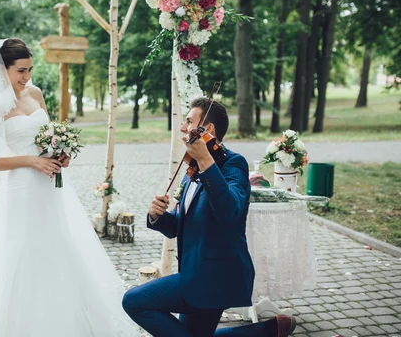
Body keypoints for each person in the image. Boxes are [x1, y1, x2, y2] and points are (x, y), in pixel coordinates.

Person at [0, 38, 138, 336]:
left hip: (51, 184)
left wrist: (60, 154)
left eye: (29, 69)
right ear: (2, 70)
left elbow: (48, 136)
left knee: (61, 243)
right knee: (23, 252)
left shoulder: (35, 93)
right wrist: (29, 161)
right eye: (20, 71)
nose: (26, 77)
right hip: (21, 188)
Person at [122, 97, 296, 337]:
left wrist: (205, 159)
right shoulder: (190, 169)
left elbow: (231, 213)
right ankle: (270, 329)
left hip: (216, 276)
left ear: (207, 129)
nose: (183, 128)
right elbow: (177, 226)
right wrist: (157, 216)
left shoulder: (232, 165)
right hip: (195, 273)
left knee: (134, 301)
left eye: (189, 121)